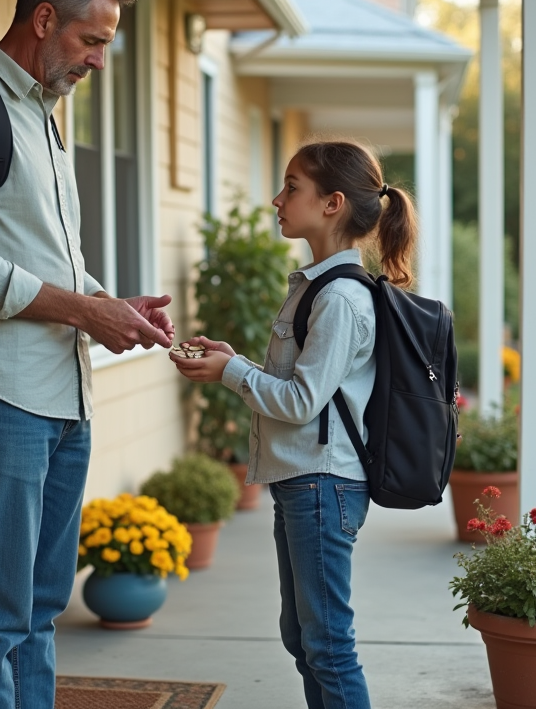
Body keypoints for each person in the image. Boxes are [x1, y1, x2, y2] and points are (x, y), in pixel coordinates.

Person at [0, 0, 175, 709]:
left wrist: (110, 305)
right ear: (44, 19)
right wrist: (81, 311)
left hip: (63, 396)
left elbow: (52, 261)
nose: (98, 59)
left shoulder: (44, 121)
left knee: (38, 610)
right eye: (92, 41)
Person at [171, 141, 416, 709]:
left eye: (291, 187)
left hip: (323, 486)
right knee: (304, 638)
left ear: (332, 203)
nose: (277, 199)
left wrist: (231, 372)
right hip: (305, 483)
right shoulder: (317, 287)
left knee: (327, 644)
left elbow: (301, 401)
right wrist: (236, 361)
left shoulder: (340, 299)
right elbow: (307, 388)